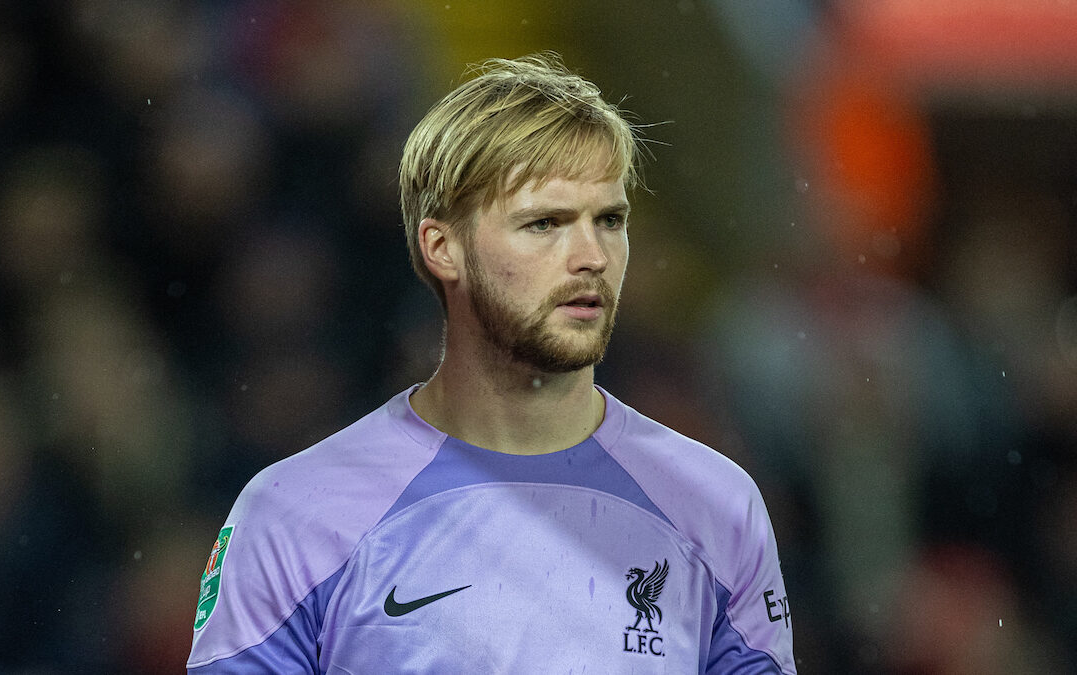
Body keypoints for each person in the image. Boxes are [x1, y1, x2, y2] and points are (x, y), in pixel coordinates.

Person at [187, 53, 796, 674]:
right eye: (545, 224)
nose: (592, 255)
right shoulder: (295, 512)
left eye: (610, 220)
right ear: (443, 247)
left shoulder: (715, 505)